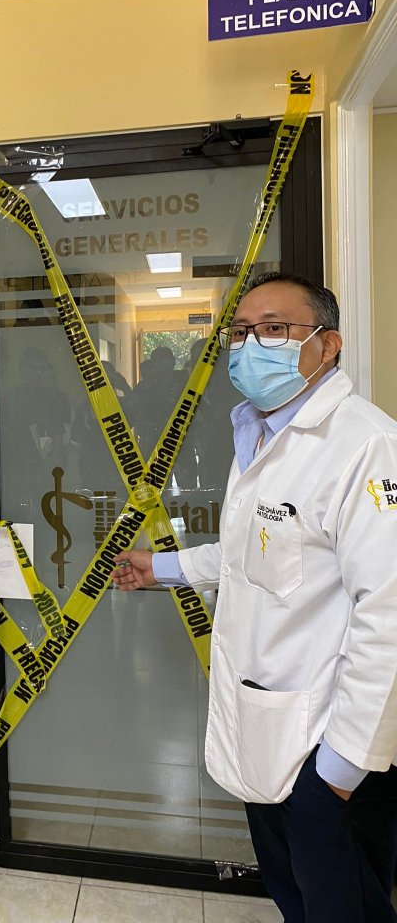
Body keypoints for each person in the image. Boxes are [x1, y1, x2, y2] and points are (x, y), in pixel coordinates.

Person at [112, 272, 397, 923]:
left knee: (344, 907)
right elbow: (257, 554)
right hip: (269, 729)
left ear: (328, 347)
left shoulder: (367, 448)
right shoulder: (260, 432)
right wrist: (164, 568)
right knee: (295, 893)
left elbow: (390, 614)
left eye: (274, 329)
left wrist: (342, 769)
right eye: (240, 332)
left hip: (330, 747)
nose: (249, 345)